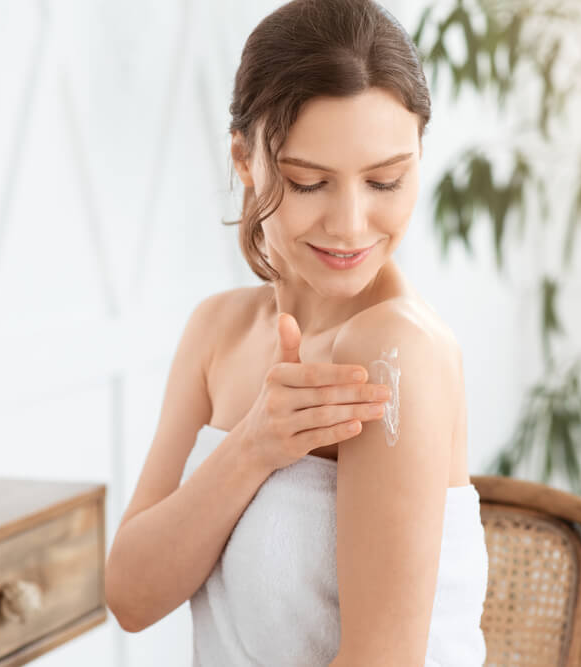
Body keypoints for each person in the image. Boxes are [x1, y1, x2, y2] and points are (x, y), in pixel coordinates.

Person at [105, 1, 489, 665]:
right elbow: (133, 595)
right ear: (245, 159)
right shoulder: (217, 332)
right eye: (310, 182)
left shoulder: (394, 353)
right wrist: (254, 444)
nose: (350, 224)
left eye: (385, 180)